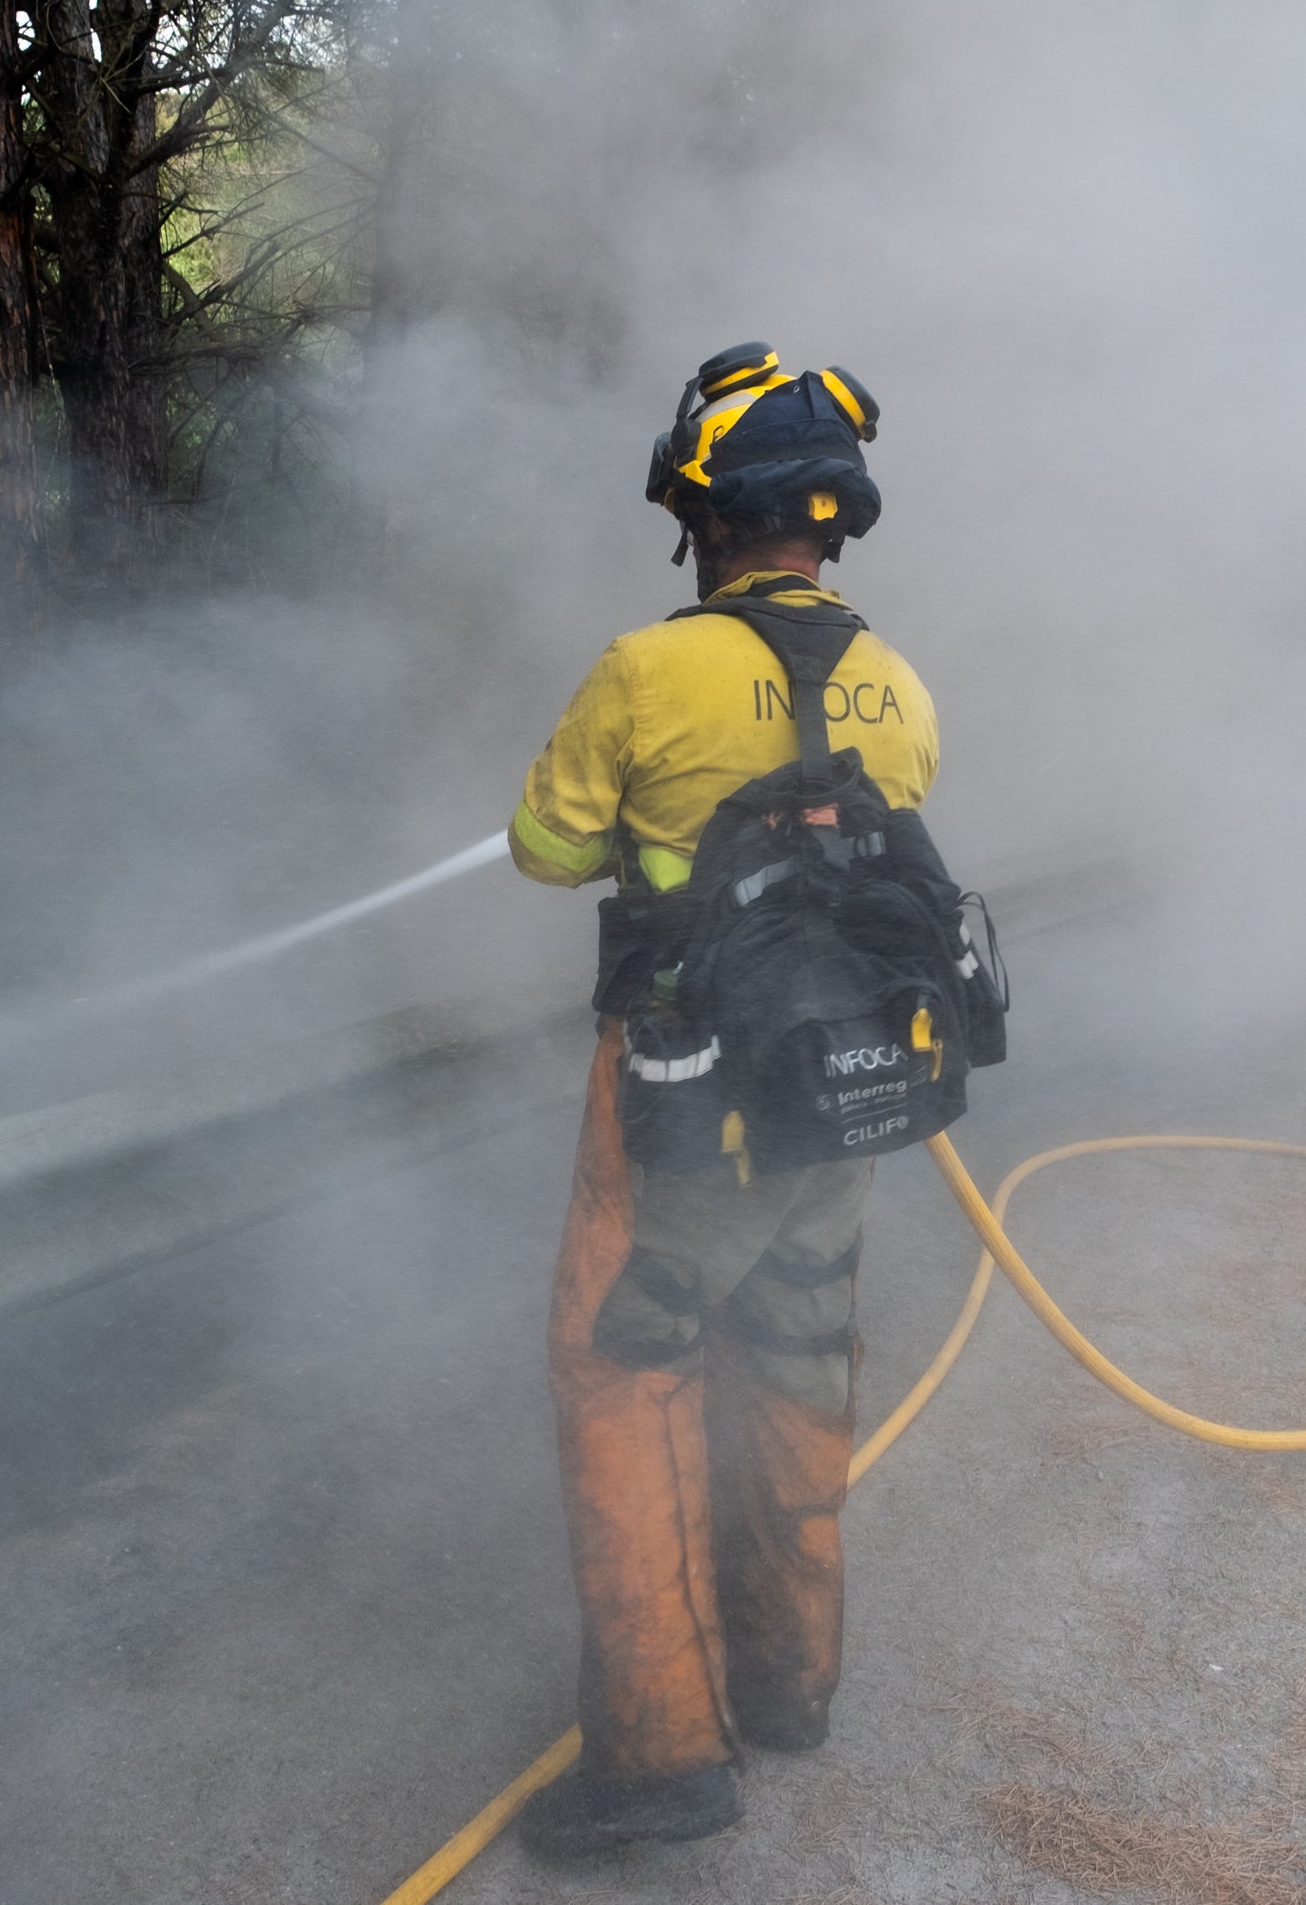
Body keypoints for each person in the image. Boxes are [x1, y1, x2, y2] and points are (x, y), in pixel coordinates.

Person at [504, 344, 938, 1858]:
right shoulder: (896, 684)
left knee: (623, 1371)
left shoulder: (645, 668)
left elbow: (548, 852)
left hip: (686, 1107)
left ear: (701, 513)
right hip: (845, 1100)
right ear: (828, 526)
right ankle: (786, 1682)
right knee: (796, 1355)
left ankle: (660, 1749)